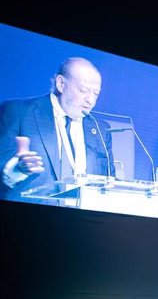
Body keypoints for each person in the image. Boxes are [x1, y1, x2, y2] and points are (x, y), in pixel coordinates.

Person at [0, 57, 115, 202]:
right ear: (61, 84)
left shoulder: (101, 130)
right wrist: (18, 169)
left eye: (96, 93)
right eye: (83, 90)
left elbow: (110, 182)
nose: (90, 100)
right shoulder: (18, 112)